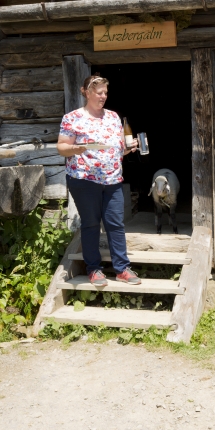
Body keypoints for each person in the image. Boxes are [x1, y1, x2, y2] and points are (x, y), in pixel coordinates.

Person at [57, 74, 141, 286]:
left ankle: (122, 269)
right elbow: (62, 148)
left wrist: (128, 149)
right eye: (99, 92)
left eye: (105, 92)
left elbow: (116, 150)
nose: (103, 96)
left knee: (115, 223)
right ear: (86, 92)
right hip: (84, 180)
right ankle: (94, 269)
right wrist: (77, 148)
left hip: (112, 180)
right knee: (91, 224)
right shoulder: (73, 118)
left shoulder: (113, 117)